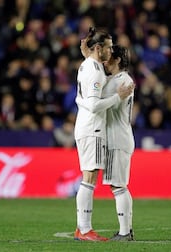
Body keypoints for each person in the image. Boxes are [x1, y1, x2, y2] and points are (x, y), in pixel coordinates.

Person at [73, 27, 133, 241]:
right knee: (91, 179)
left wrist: (89, 56)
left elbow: (90, 100)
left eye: (111, 50)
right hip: (95, 130)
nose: (108, 53)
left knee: (110, 183)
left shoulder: (115, 78)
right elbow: (93, 103)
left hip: (111, 136)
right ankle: (85, 229)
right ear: (99, 49)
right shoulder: (98, 71)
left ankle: (121, 231)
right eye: (107, 47)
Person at [102, 45, 135, 241]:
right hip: (119, 136)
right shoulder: (119, 79)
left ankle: (125, 232)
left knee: (118, 186)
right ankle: (126, 230)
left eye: (109, 57)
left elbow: (99, 101)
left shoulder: (121, 81)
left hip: (117, 137)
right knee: (119, 185)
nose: (105, 61)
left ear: (118, 60)